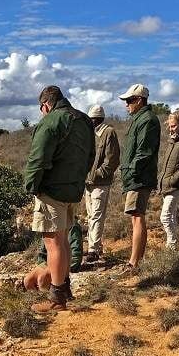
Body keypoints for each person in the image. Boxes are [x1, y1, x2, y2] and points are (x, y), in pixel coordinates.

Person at [23, 85, 96, 313]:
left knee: (53, 243)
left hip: (51, 190)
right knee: (63, 241)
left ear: (45, 105)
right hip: (72, 190)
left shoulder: (51, 121)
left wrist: (31, 186)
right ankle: (65, 290)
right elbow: (91, 155)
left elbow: (38, 158)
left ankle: (56, 299)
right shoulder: (83, 120)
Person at [118, 83, 161, 270]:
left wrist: (131, 172)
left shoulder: (147, 120)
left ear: (139, 100)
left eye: (129, 101)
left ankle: (134, 263)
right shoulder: (140, 118)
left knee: (137, 217)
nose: (126, 104)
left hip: (139, 177)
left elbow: (144, 152)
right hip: (136, 176)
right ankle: (135, 261)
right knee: (135, 216)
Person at [82, 104, 120, 263]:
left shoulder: (108, 132)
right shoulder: (91, 134)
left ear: (96, 119)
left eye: (91, 119)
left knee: (96, 215)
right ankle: (95, 247)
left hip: (100, 182)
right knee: (91, 216)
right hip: (89, 182)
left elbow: (112, 161)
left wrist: (95, 175)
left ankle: (93, 250)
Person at [160, 108, 179, 250]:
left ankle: (172, 246)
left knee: (165, 217)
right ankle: (174, 249)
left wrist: (173, 179)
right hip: (167, 185)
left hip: (176, 186)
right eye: (170, 125)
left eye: (174, 125)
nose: (171, 128)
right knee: (171, 217)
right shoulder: (173, 141)